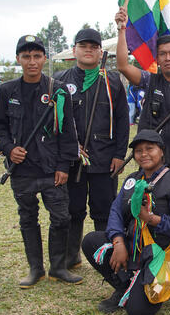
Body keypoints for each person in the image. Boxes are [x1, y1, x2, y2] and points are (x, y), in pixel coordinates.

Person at [0, 34, 81, 288]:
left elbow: (68, 132)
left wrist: (64, 166)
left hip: (51, 168)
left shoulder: (58, 90)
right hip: (22, 170)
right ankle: (35, 269)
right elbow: (0, 126)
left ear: (44, 59)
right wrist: (9, 149)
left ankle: (58, 267)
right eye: (26, 56)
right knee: (28, 217)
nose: (32, 62)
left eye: (37, 56)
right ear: (18, 59)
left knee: (61, 218)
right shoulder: (7, 90)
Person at [115, 7, 170, 280]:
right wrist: (122, 29)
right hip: (150, 162)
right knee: (145, 210)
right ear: (157, 58)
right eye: (162, 54)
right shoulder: (150, 80)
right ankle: (143, 256)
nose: (168, 58)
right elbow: (123, 66)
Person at [81, 130, 170, 315]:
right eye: (138, 150)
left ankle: (148, 285)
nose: (144, 154)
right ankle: (124, 285)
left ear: (162, 151)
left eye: (150, 149)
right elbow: (116, 211)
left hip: (159, 255)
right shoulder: (133, 179)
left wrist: (150, 218)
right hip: (132, 247)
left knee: (138, 312)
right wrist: (118, 243)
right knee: (91, 241)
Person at [53, 28, 129, 270]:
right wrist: (69, 148)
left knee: (104, 210)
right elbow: (55, 121)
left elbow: (122, 120)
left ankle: (104, 256)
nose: (88, 50)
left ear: (99, 52)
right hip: (72, 159)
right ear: (74, 50)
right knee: (73, 209)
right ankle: (71, 255)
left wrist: (119, 154)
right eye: (83, 46)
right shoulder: (60, 80)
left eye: (93, 47)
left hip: (105, 159)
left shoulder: (113, 80)